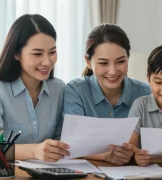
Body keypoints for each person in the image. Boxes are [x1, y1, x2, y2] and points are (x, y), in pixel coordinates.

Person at [0, 14, 70, 162]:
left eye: (52, 52)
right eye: (37, 54)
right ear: (16, 54)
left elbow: (62, 141)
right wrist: (34, 151)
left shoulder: (59, 89)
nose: (47, 62)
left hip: (38, 173)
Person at [63, 24, 151, 165]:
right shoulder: (76, 91)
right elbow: (71, 144)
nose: (112, 71)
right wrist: (105, 156)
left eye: (120, 62)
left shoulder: (145, 93)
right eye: (103, 63)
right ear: (88, 61)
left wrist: (135, 153)